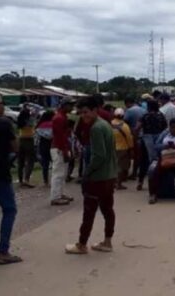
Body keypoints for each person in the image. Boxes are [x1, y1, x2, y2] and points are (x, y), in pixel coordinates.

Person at [65, 96, 118, 254]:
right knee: (108, 210)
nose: (83, 116)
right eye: (81, 113)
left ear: (95, 110)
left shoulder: (96, 128)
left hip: (98, 178)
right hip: (109, 175)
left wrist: (86, 174)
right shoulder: (105, 125)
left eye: (86, 112)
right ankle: (107, 242)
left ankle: (82, 245)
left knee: (89, 212)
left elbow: (98, 156)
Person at [0, 93, 22, 264]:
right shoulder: (4, 123)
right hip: (0, 174)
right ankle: (3, 251)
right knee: (9, 209)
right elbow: (15, 146)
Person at [135, 99, 167, 190]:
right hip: (159, 141)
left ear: (149, 107)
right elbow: (165, 128)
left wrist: (136, 137)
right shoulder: (161, 116)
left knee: (144, 161)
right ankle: (159, 181)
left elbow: (137, 128)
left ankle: (140, 182)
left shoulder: (145, 116)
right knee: (159, 160)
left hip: (146, 140)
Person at [50, 97, 76, 206]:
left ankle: (60, 194)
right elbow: (60, 137)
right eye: (70, 105)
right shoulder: (59, 118)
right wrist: (65, 151)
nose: (72, 107)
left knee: (62, 173)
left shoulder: (63, 117)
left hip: (62, 147)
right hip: (59, 148)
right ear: (64, 105)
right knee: (58, 173)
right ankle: (55, 197)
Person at [123, 96, 147, 180]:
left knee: (129, 154)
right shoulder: (143, 110)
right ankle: (135, 172)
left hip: (133, 135)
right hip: (143, 135)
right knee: (139, 155)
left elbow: (124, 122)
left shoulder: (129, 111)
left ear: (127, 103)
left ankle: (128, 173)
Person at [112, 108, 134, 189]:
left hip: (112, 148)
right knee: (121, 167)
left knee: (113, 166)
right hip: (122, 148)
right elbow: (129, 138)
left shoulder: (109, 124)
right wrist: (131, 148)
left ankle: (113, 182)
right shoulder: (125, 126)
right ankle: (119, 184)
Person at [17, 104, 36, 188]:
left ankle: (21, 181)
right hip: (29, 140)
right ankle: (26, 180)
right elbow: (38, 110)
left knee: (20, 162)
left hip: (20, 140)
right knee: (30, 161)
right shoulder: (30, 120)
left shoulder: (20, 120)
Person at [35, 110, 55, 186]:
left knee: (45, 164)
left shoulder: (40, 125)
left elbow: (37, 137)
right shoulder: (53, 124)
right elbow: (53, 135)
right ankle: (54, 179)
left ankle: (45, 181)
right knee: (55, 163)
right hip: (52, 145)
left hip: (43, 145)